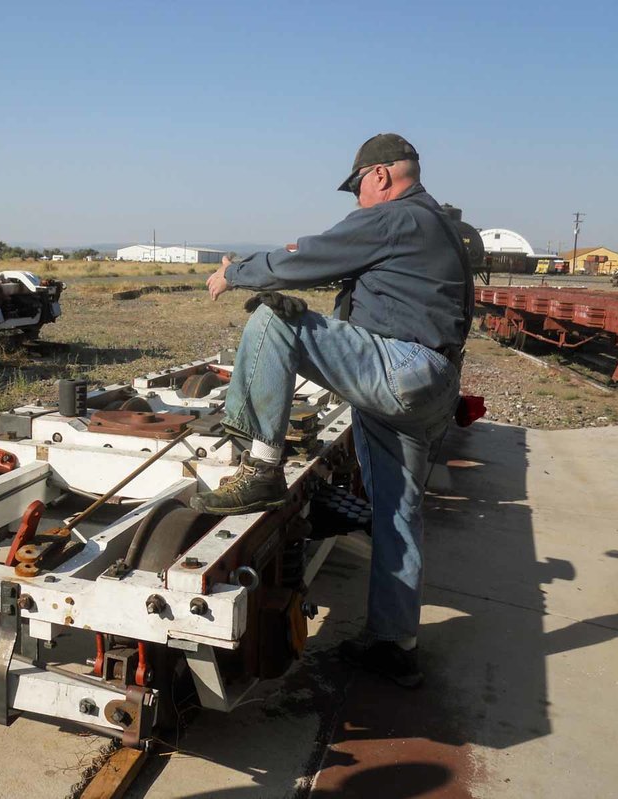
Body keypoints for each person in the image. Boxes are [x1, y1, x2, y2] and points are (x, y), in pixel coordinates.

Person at [192, 134, 474, 687]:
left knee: (274, 320)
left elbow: (314, 255)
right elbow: (350, 279)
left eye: (357, 189)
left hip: (404, 368)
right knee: (397, 515)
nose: (357, 202)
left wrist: (237, 272)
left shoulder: (399, 217)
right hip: (430, 382)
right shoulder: (437, 226)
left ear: (382, 177)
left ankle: (261, 469)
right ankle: (394, 645)